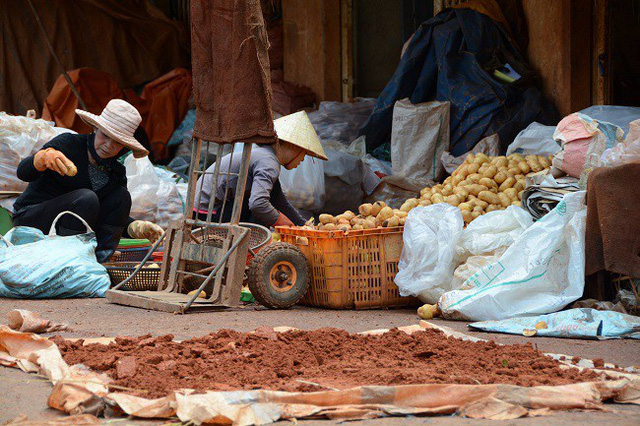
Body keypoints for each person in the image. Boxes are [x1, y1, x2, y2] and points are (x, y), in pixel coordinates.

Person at [12, 99, 163, 262]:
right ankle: (68, 260)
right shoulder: (68, 144)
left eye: (117, 142)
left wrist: (133, 226)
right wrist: (40, 159)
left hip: (75, 225)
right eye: (105, 136)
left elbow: (109, 214)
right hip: (32, 219)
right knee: (87, 198)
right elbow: (23, 172)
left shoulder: (116, 173)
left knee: (121, 196)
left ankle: (100, 261)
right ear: (95, 128)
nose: (109, 145)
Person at [195, 111, 327, 227]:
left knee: (270, 197)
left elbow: (278, 200)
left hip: (205, 209)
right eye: (303, 154)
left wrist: (302, 224)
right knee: (262, 209)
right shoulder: (268, 162)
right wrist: (280, 220)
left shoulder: (264, 156)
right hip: (208, 214)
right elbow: (257, 204)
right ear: (293, 147)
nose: (302, 160)